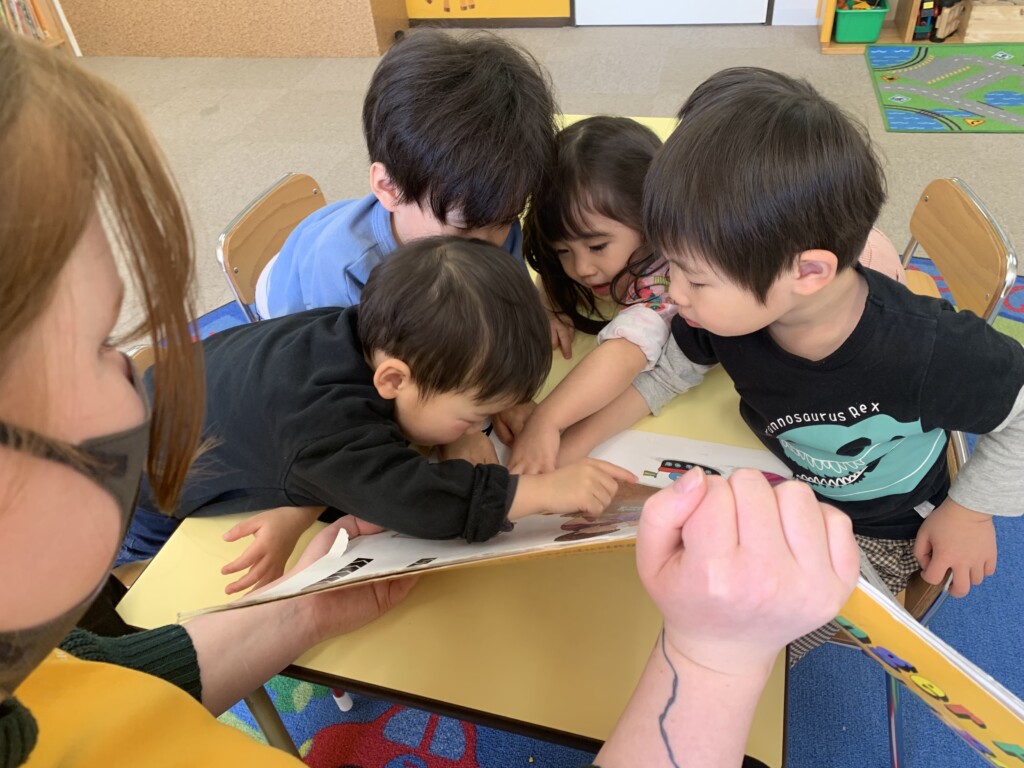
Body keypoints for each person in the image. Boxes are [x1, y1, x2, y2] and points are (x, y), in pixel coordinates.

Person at [0, 36, 860, 768]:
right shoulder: (337, 308)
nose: (140, 377)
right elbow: (389, 479)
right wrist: (705, 659)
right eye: (100, 348)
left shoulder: (53, 670)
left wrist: (307, 603)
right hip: (193, 501)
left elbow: (105, 684)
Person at [558, 67, 1024, 662]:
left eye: (693, 277)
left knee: (738, 650)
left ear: (808, 273)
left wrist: (970, 512)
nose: (673, 293)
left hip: (880, 531)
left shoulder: (925, 347)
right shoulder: (730, 311)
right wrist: (574, 442)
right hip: (780, 487)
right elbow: (670, 371)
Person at [118, 237, 636, 594]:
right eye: (471, 416)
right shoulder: (329, 424)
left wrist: (452, 431)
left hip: (170, 399)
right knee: (148, 588)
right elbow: (417, 503)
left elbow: (323, 454)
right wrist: (542, 492)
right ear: (393, 380)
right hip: (137, 493)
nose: (480, 428)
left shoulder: (362, 328)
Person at [254, 28, 557, 320]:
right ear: (389, 187)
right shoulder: (346, 274)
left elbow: (513, 300)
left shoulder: (489, 212)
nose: (491, 247)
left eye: (505, 219)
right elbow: (332, 350)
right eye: (463, 228)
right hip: (290, 297)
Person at [507, 116, 676, 474]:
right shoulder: (585, 252)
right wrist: (550, 307)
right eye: (564, 250)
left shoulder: (669, 277)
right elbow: (549, 268)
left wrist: (547, 420)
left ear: (650, 222)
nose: (582, 268)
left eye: (597, 246)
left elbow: (626, 352)